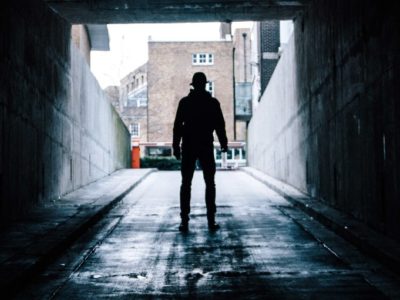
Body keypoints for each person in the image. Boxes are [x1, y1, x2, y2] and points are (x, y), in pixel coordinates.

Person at [173, 72, 228, 232]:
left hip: (189, 145)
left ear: (193, 85)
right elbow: (220, 125)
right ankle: (211, 221)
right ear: (205, 84)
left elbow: (177, 126)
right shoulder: (212, 102)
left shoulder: (185, 102)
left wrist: (176, 146)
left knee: (186, 184)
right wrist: (223, 142)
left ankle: (184, 221)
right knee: (210, 183)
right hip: (205, 145)